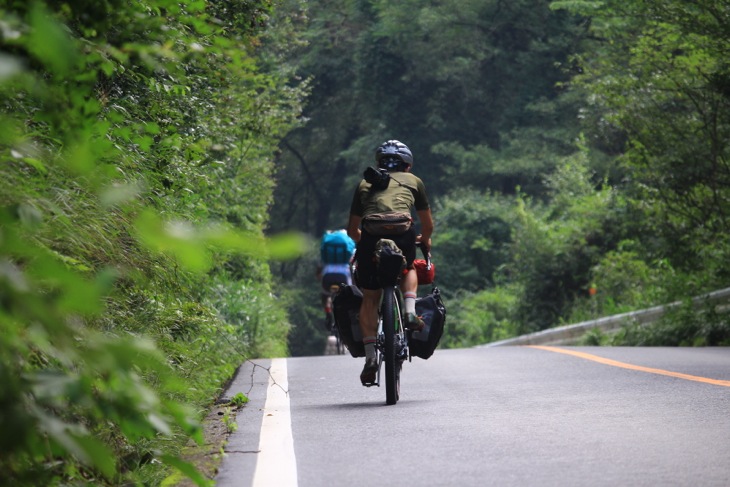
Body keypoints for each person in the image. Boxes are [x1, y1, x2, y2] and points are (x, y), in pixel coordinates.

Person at [347, 140, 434, 385]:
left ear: (379, 163)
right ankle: (409, 311)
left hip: (371, 234)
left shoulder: (364, 183)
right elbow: (427, 225)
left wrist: (367, 243)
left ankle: (371, 356)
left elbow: (352, 230)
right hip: (403, 231)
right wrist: (424, 240)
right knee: (408, 266)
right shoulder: (414, 181)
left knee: (370, 296)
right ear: (407, 165)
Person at [316, 229, 356, 330]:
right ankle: (350, 317)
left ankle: (328, 311)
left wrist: (319, 277)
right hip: (344, 276)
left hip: (328, 276)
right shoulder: (349, 247)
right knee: (350, 295)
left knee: (325, 295)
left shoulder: (326, 253)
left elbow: (318, 273)